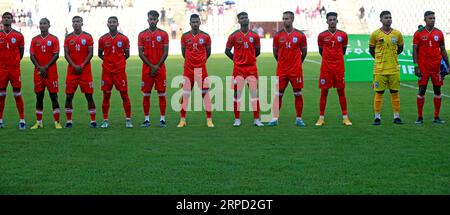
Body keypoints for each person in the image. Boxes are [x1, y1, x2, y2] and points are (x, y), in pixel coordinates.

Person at [267, 11, 307, 127]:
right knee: (278, 94)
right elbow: (275, 53)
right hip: (282, 70)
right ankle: (275, 118)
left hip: (296, 70)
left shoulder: (300, 35)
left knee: (298, 94)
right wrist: (281, 63)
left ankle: (299, 118)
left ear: (292, 19)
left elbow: (304, 52)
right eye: (283, 18)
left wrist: (298, 63)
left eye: (287, 19)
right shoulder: (278, 35)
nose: (285, 21)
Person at [225, 12, 263, 127]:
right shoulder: (233, 36)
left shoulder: (255, 36)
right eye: (242, 18)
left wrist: (249, 59)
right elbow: (227, 51)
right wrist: (237, 60)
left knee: (254, 94)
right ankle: (237, 119)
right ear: (239, 21)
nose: (244, 19)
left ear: (248, 19)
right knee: (237, 95)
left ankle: (256, 119)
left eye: (246, 17)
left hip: (252, 69)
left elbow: (258, 51)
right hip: (238, 70)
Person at [315, 12, 351, 126]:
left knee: (341, 91)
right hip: (326, 68)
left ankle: (345, 117)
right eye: (330, 20)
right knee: (324, 92)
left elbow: (343, 50)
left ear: (337, 21)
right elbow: (321, 51)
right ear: (327, 21)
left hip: (339, 68)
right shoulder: (321, 36)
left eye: (334, 19)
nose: (332, 21)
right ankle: (321, 118)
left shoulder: (343, 35)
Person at [413, 11, 449, 124]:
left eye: (434, 18)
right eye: (430, 18)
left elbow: (443, 49)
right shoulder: (418, 33)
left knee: (437, 90)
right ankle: (419, 117)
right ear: (425, 19)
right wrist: (416, 66)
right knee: (422, 90)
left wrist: (448, 64)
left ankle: (436, 117)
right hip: (423, 67)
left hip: (436, 67)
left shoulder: (439, 33)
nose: (432, 20)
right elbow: (414, 50)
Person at [177, 14, 214, 128]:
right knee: (185, 95)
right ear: (190, 23)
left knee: (205, 94)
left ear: (200, 22)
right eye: (193, 22)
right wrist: (190, 62)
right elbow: (184, 53)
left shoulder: (206, 36)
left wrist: (200, 62)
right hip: (188, 70)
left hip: (201, 70)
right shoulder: (184, 37)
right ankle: (182, 120)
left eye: (197, 22)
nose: (195, 24)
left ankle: (209, 120)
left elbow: (208, 52)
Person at [369, 11, 404, 125]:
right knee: (379, 93)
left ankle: (396, 116)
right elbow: (371, 50)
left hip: (393, 69)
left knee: (395, 92)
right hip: (380, 70)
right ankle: (377, 117)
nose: (388, 19)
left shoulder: (397, 34)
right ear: (381, 19)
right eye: (386, 17)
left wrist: (391, 58)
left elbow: (400, 48)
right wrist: (380, 59)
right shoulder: (375, 34)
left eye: (390, 17)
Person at [98, 16, 132, 128]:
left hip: (119, 72)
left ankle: (128, 120)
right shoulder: (102, 39)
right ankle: (105, 120)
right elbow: (99, 54)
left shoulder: (124, 39)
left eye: (114, 22)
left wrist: (119, 62)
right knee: (106, 96)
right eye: (110, 22)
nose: (112, 24)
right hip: (107, 72)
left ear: (118, 24)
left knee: (124, 95)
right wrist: (108, 62)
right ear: (107, 24)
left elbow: (127, 54)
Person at [64, 16, 96, 128]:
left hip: (85, 71)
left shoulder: (88, 36)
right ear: (72, 24)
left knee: (89, 96)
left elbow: (90, 53)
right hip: (72, 71)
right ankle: (69, 121)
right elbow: (66, 53)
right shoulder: (68, 37)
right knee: (69, 96)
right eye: (74, 22)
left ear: (82, 23)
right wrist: (74, 65)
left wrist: (82, 65)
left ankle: (93, 121)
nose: (76, 23)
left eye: (78, 21)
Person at [138, 10, 169, 127]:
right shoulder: (142, 34)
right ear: (147, 20)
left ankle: (162, 119)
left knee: (162, 93)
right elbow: (141, 53)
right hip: (147, 69)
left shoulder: (164, 34)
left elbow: (165, 53)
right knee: (146, 94)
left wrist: (156, 66)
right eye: (150, 19)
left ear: (157, 20)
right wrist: (152, 66)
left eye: (154, 19)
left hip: (160, 69)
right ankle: (146, 119)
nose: (152, 21)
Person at [29, 18, 62, 129]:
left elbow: (56, 54)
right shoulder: (34, 40)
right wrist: (39, 67)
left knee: (54, 97)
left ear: (49, 25)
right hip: (38, 73)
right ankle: (39, 122)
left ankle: (57, 122)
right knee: (39, 97)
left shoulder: (54, 39)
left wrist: (46, 67)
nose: (42, 25)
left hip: (51, 73)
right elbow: (32, 55)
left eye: (45, 23)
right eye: (41, 24)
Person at [0, 12, 25, 129]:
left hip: (14, 70)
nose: (6, 19)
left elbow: (21, 52)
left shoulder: (19, 35)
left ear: (12, 20)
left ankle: (22, 119)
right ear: (2, 20)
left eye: (8, 18)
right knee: (1, 95)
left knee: (17, 94)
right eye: (4, 18)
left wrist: (14, 62)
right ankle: (0, 120)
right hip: (1, 70)